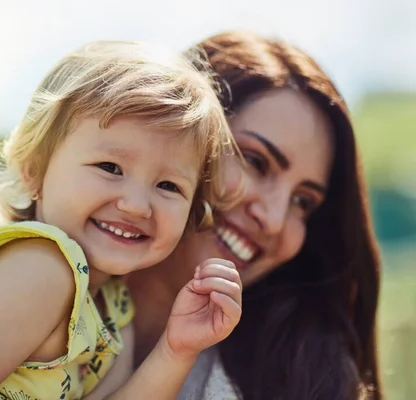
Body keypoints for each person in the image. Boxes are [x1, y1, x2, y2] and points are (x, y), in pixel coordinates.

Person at [0, 40, 243, 400]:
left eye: (169, 186)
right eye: (110, 167)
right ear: (33, 170)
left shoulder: (112, 308)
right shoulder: (42, 270)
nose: (137, 205)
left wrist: (175, 350)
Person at [127, 31, 383, 400]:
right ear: (174, 130)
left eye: (303, 202)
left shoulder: (302, 380)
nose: (275, 219)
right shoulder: (32, 278)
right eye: (256, 161)